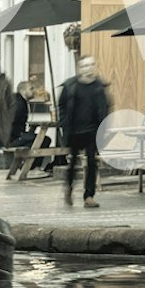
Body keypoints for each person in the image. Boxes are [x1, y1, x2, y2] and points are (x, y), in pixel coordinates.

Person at [58, 55, 112, 208]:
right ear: (79, 68)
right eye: (84, 66)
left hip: (92, 130)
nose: (88, 68)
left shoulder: (100, 86)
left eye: (90, 65)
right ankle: (68, 188)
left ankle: (89, 196)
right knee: (73, 162)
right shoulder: (70, 86)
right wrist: (64, 123)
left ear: (95, 66)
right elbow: (61, 106)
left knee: (91, 162)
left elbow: (106, 107)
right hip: (74, 130)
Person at [8, 80, 34, 148]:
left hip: (14, 136)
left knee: (36, 140)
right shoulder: (19, 104)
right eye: (31, 89)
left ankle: (27, 158)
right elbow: (11, 121)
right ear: (23, 91)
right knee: (44, 140)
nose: (34, 91)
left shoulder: (18, 100)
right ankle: (28, 158)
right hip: (13, 138)